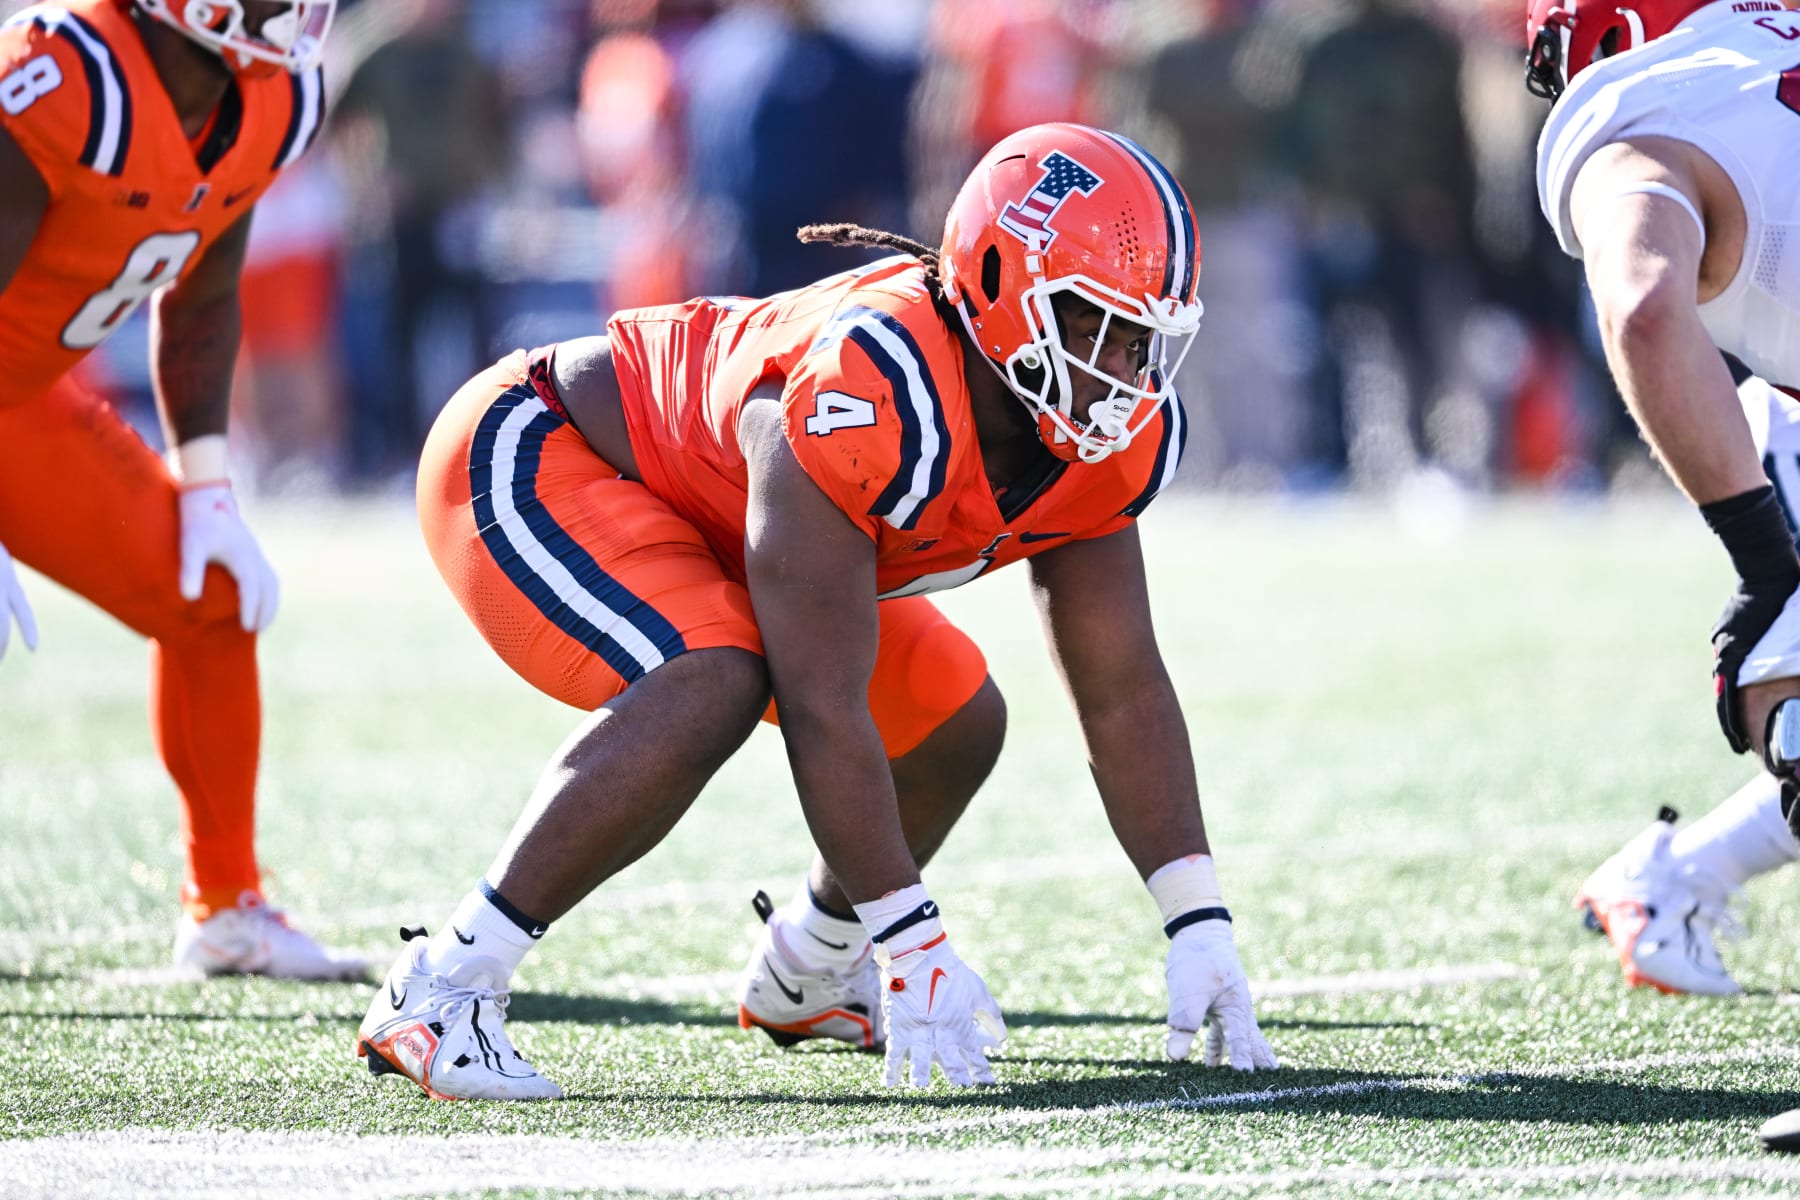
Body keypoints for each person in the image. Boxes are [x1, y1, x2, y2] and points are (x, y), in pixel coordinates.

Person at [355, 122, 1279, 1100]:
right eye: (1099, 324)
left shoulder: (1100, 434)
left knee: (956, 719)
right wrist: (913, 939)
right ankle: (446, 981)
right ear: (1003, 287)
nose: (1129, 365)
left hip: (727, 518)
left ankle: (810, 966)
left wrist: (1197, 917)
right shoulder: (869, 387)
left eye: (1148, 334)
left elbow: (1123, 687)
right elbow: (823, 704)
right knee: (717, 677)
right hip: (542, 448)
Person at [0, 0, 361, 979]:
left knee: (208, 601)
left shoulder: (276, 97)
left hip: (21, 398)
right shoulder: (64, 78)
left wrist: (205, 484)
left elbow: (200, 289)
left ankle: (227, 907)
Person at [1525, 0, 1800, 1153]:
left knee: (1788, 695)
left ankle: (1676, 874)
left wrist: (1760, 561)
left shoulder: (1637, 110)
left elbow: (1643, 304)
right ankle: (1676, 876)